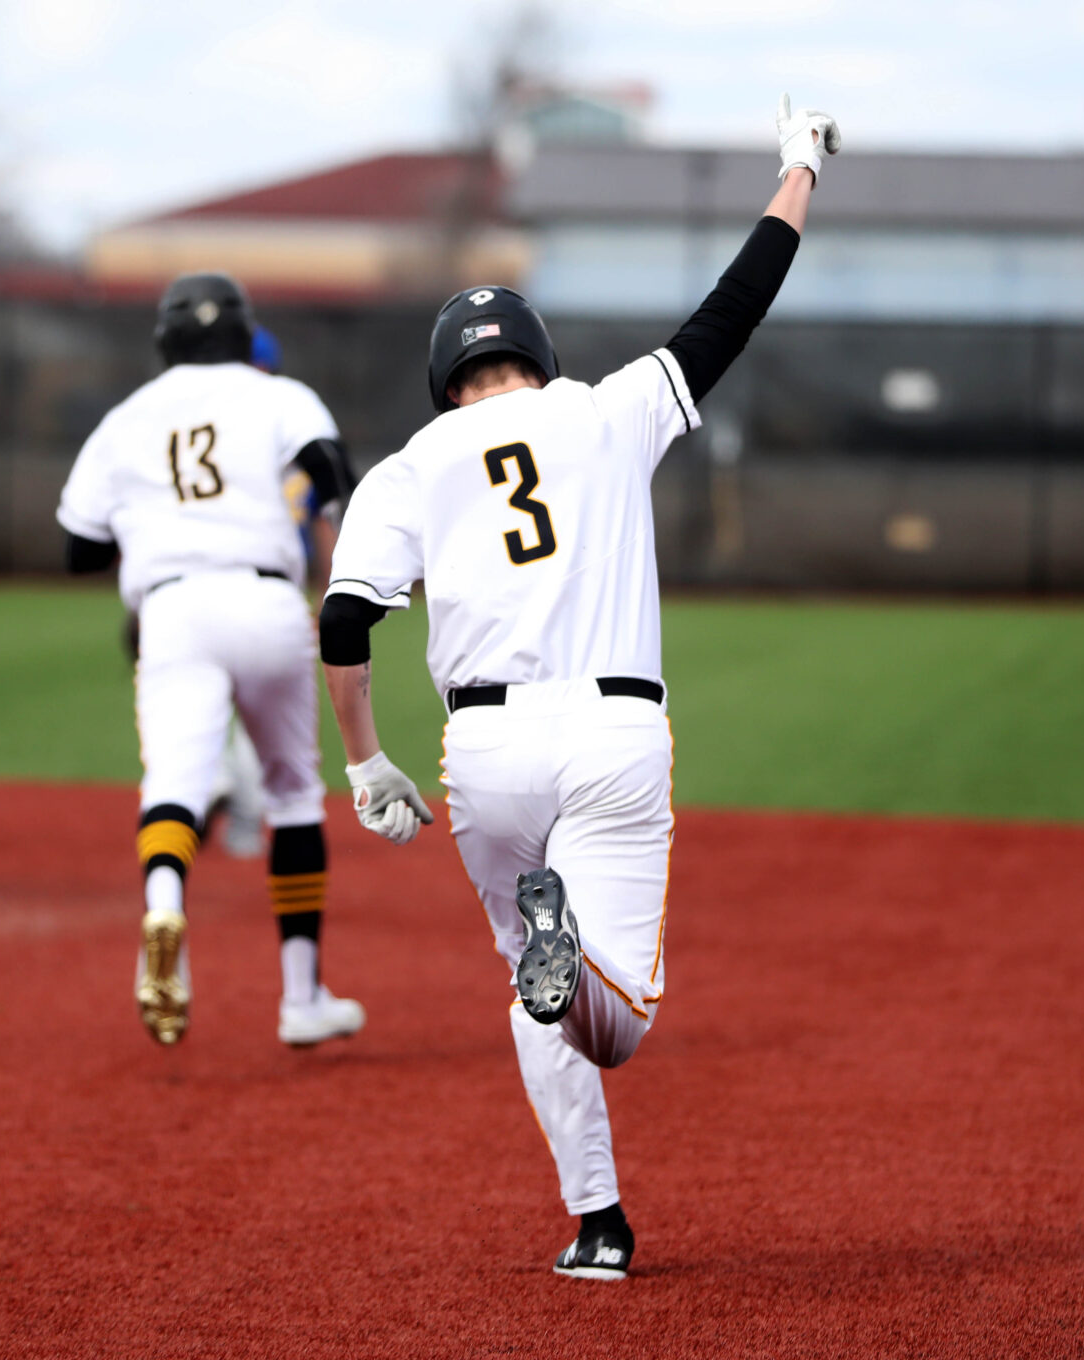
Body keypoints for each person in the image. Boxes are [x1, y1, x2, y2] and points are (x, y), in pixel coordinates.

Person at [314, 95, 838, 1281]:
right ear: (537, 359)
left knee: (528, 993)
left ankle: (598, 1222)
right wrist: (798, 167)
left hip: (483, 753)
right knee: (617, 1018)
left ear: (447, 377)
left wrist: (364, 759)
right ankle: (580, 971)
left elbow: (345, 620)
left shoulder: (409, 464)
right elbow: (732, 310)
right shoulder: (607, 410)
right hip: (610, 729)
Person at [57, 272, 367, 1049]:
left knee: (175, 785)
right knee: (293, 794)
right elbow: (331, 472)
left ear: (166, 339)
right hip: (265, 599)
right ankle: (301, 996)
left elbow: (78, 547)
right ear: (242, 332)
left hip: (173, 608)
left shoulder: (128, 416)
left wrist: (153, 519)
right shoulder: (277, 394)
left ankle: (165, 903)